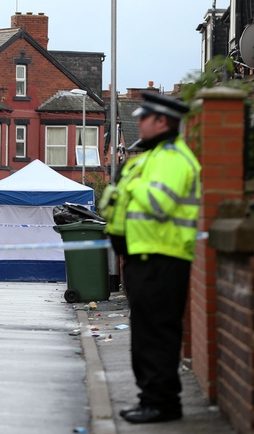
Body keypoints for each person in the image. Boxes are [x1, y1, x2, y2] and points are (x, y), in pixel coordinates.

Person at [98, 92, 201, 424]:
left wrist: (127, 189)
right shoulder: (150, 158)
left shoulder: (173, 159)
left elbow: (158, 205)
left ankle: (163, 403)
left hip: (163, 258)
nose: (138, 121)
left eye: (145, 116)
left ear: (162, 122)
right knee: (145, 334)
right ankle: (150, 399)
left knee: (157, 334)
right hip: (142, 257)